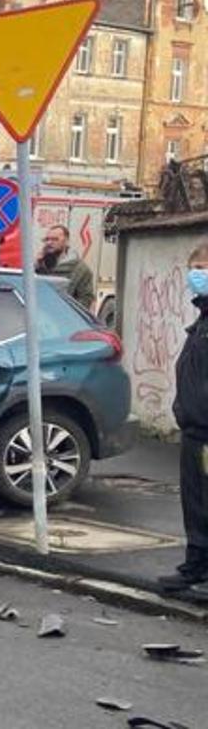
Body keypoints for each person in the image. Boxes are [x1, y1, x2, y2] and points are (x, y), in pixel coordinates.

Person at [165, 240, 208, 600]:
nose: (196, 276)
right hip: (195, 430)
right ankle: (195, 566)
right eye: (194, 268)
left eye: (204, 269)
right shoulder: (203, 319)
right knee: (195, 501)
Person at [38, 224, 96, 310]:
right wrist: (36, 265)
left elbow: (85, 301)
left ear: (66, 241)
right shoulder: (40, 265)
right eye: (47, 239)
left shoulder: (80, 269)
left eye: (55, 239)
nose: (49, 243)